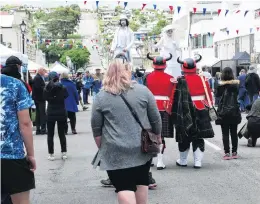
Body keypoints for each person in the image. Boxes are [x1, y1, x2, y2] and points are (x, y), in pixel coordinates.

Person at [91, 59, 162, 204]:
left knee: (124, 187)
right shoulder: (143, 91)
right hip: (142, 147)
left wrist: (102, 146)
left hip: (114, 148)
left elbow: (96, 127)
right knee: (141, 182)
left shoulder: (101, 97)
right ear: (127, 72)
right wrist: (158, 136)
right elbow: (155, 119)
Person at [173, 55, 214, 168]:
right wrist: (210, 107)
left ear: (183, 67)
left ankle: (183, 160)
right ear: (195, 67)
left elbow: (175, 97)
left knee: (183, 136)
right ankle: (198, 162)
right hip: (201, 108)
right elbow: (209, 95)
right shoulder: (203, 78)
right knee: (199, 136)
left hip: (184, 110)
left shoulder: (179, 80)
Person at [1, 73, 36, 204]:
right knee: (21, 201)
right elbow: (25, 123)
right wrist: (31, 155)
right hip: (12, 154)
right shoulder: (14, 84)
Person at [145, 53, 176, 170]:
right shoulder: (170, 78)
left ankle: (150, 160)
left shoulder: (147, 77)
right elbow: (173, 95)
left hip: (149, 108)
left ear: (153, 65)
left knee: (149, 135)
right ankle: (160, 161)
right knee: (161, 136)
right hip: (165, 108)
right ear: (165, 65)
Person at [215, 67, 242, 160]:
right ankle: (234, 152)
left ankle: (227, 153)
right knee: (234, 133)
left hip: (223, 111)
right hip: (234, 111)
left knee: (225, 133)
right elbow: (238, 94)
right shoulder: (235, 85)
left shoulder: (220, 85)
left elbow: (217, 95)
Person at [43, 72, 69, 161]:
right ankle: (64, 152)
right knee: (62, 133)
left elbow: (45, 98)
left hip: (50, 112)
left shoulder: (46, 88)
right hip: (61, 111)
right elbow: (66, 96)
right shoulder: (63, 87)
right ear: (58, 78)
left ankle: (51, 154)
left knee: (50, 134)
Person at [32, 67, 47, 135]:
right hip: (40, 98)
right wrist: (45, 88)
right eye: (43, 71)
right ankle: (43, 129)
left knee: (38, 114)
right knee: (42, 114)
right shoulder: (38, 78)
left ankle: (38, 129)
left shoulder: (37, 77)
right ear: (40, 71)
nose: (44, 73)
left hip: (37, 98)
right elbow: (39, 88)